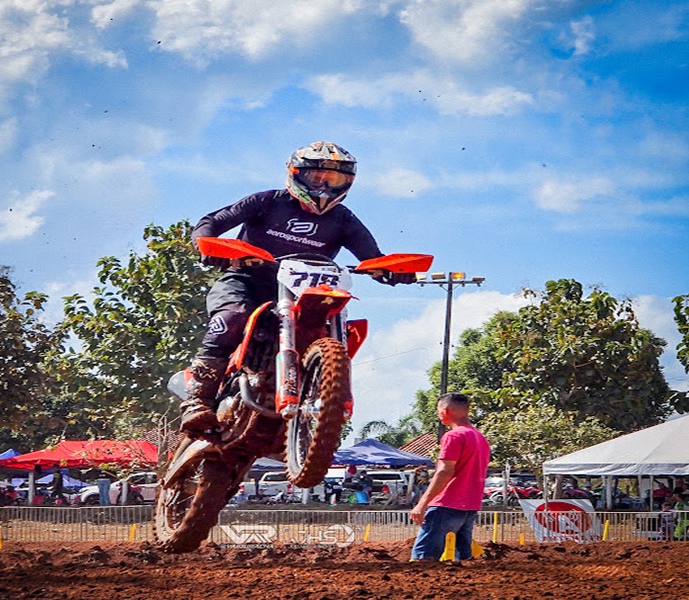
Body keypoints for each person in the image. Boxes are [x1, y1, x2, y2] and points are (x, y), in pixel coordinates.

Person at [180, 141, 416, 434]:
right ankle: (196, 401)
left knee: (331, 325)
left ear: (348, 183)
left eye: (335, 180)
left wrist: (392, 272)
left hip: (302, 292)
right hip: (247, 281)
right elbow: (212, 221)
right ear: (296, 174)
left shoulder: (343, 219)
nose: (324, 185)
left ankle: (316, 393)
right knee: (233, 317)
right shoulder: (267, 202)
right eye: (316, 177)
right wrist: (208, 247)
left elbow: (372, 258)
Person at [410, 393, 491, 562]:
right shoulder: (480, 438)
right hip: (469, 506)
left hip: (446, 504)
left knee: (423, 559)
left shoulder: (453, 436)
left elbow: (445, 471)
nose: (438, 414)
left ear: (445, 411)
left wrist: (422, 503)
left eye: (438, 410)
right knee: (463, 559)